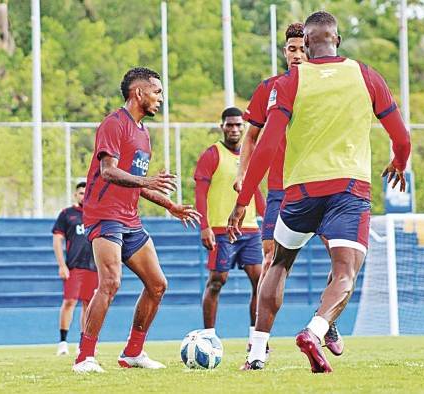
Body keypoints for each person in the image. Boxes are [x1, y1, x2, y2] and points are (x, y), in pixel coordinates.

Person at [228, 11, 411, 373]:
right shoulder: (366, 75)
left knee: (277, 263)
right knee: (345, 270)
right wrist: (399, 163)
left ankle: (257, 352)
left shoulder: (292, 81)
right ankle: (316, 329)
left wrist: (243, 199)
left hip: (299, 192)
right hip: (349, 190)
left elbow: (266, 145)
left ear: (308, 45)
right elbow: (401, 137)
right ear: (337, 40)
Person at [73, 67, 202, 373]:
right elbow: (108, 171)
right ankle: (84, 357)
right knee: (111, 282)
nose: (161, 98)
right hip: (103, 215)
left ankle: (133, 352)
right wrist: (147, 183)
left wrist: (170, 205)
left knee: (157, 285)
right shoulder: (114, 124)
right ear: (139, 93)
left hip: (130, 219)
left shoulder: (143, 133)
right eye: (157, 91)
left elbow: (136, 182)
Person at [236, 22, 344, 358]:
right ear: (285, 51)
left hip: (323, 183)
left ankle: (326, 319)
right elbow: (251, 137)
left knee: (341, 259)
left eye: (302, 48)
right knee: (272, 259)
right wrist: (243, 174)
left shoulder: (327, 86)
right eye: (291, 49)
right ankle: (260, 341)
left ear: (312, 48)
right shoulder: (269, 88)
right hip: (281, 189)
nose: (297, 55)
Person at [194, 107, 265, 350]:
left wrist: (268, 214)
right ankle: (209, 336)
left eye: (238, 125)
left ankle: (256, 339)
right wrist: (204, 226)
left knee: (261, 281)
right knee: (217, 281)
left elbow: (254, 189)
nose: (234, 129)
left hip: (250, 229)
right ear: (222, 126)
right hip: (221, 230)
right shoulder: (212, 154)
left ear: (243, 127)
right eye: (230, 125)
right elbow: (200, 193)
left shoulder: (251, 155)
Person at [52, 181, 97, 356]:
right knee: (69, 302)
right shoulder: (67, 214)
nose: (83, 196)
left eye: (86, 193)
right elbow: (57, 240)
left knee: (89, 305)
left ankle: (83, 343)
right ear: (75, 195)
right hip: (74, 267)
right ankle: (63, 342)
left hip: (93, 267)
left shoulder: (95, 214)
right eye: (80, 193)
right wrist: (62, 265)